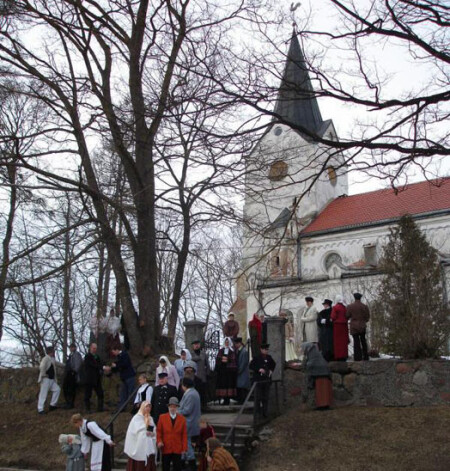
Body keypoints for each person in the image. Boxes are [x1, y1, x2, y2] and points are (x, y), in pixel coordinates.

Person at [156, 396, 188, 471]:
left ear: (177, 407)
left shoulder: (182, 419)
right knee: (165, 467)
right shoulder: (162, 417)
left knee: (177, 468)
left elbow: (184, 435)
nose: (173, 408)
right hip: (166, 447)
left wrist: (184, 448)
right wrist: (159, 441)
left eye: (174, 407)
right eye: (171, 406)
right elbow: (159, 432)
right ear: (168, 407)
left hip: (177, 448)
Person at [124, 400, 157, 471]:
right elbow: (134, 431)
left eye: (149, 407)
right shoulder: (136, 418)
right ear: (142, 407)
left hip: (148, 446)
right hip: (139, 447)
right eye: (146, 407)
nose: (148, 408)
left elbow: (154, 430)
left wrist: (152, 433)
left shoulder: (150, 418)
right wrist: (145, 431)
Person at [178, 377, 201, 471]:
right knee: (184, 442)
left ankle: (192, 464)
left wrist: (176, 411)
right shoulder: (191, 393)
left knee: (187, 443)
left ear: (185, 385)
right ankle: (182, 462)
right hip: (189, 422)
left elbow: (187, 410)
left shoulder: (191, 394)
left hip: (189, 422)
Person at [302, 342, 333, 410]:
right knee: (325, 391)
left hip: (318, 375)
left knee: (320, 391)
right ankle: (326, 405)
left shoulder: (311, 357)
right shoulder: (317, 354)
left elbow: (305, 366)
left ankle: (321, 405)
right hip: (326, 374)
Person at [249, 343, 276, 418]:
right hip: (258, 381)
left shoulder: (269, 357)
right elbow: (251, 366)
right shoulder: (256, 357)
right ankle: (258, 413)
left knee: (265, 397)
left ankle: (265, 412)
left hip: (266, 380)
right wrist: (258, 369)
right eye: (265, 349)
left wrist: (271, 370)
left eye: (267, 349)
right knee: (258, 397)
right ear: (261, 349)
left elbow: (273, 364)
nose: (266, 351)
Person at [346, 292, 371, 361]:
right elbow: (367, 317)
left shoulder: (350, 306)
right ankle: (366, 356)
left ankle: (357, 357)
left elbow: (347, 316)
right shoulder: (364, 306)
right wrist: (363, 321)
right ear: (360, 298)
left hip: (354, 326)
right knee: (363, 340)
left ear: (354, 298)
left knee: (356, 342)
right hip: (362, 325)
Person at [111, 345, 136, 410]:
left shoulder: (124, 354)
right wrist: (111, 368)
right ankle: (122, 408)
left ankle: (135, 407)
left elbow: (125, 364)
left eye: (113, 352)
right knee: (123, 393)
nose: (113, 354)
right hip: (124, 378)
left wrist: (116, 365)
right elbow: (119, 366)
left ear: (116, 350)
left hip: (130, 376)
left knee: (132, 392)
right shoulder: (119, 357)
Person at [37, 345, 61, 415]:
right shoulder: (45, 359)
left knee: (57, 389)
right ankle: (40, 409)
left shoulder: (52, 359)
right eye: (53, 351)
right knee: (43, 394)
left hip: (51, 380)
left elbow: (58, 364)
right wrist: (44, 374)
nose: (54, 352)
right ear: (50, 352)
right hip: (46, 379)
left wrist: (66, 365)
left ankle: (52, 405)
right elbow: (41, 366)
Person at [215, 337, 237, 405]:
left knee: (229, 385)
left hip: (229, 371)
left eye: (228, 342)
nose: (227, 343)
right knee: (223, 385)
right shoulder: (221, 350)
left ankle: (228, 399)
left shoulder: (232, 350)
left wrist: (228, 360)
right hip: (222, 371)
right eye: (226, 342)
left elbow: (234, 360)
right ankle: (224, 399)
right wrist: (222, 359)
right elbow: (218, 360)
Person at [84, 342, 104, 412]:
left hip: (97, 378)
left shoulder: (97, 357)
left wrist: (102, 368)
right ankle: (87, 409)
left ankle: (100, 408)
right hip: (89, 378)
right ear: (90, 348)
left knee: (100, 393)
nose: (94, 350)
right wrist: (101, 367)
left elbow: (99, 364)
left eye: (96, 348)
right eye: (93, 348)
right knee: (88, 394)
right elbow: (92, 365)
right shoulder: (87, 356)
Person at [190, 340, 210, 409]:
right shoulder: (190, 354)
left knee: (203, 392)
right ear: (193, 346)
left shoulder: (203, 354)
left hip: (202, 376)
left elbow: (207, 365)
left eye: (197, 344)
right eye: (195, 344)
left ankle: (204, 406)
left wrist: (207, 373)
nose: (196, 345)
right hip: (194, 377)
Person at [63, 343, 83, 409]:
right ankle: (68, 403)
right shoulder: (71, 355)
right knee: (66, 388)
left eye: (72, 347)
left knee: (71, 389)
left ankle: (70, 404)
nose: (71, 349)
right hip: (69, 374)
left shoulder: (76, 355)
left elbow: (78, 364)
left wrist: (74, 372)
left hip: (73, 374)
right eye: (70, 347)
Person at [331, 295, 348, 361]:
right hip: (344, 325)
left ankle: (338, 356)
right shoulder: (344, 307)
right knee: (344, 341)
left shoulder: (335, 307)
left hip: (337, 326)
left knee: (338, 341)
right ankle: (344, 355)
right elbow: (347, 316)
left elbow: (333, 317)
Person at [233, 337, 250, 404]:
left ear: (239, 343)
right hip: (240, 372)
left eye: (236, 343)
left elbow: (243, 363)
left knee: (242, 387)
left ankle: (242, 401)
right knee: (239, 387)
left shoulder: (244, 351)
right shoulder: (238, 351)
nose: (236, 345)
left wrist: (239, 371)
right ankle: (240, 400)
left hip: (242, 373)